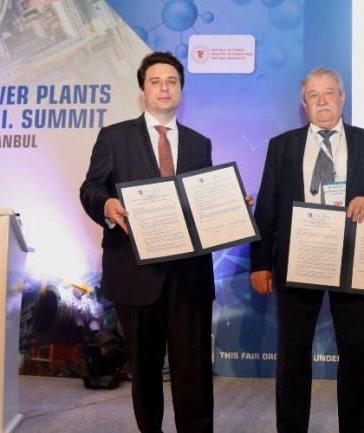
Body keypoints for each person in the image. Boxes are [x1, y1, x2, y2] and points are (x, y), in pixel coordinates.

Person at [80, 51, 239, 433]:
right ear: (143, 90)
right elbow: (91, 188)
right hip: (135, 275)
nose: (164, 87)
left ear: (181, 90)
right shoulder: (114, 137)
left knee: (194, 372)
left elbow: (200, 201)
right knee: (145, 373)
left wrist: (230, 206)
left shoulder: (200, 143)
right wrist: (107, 205)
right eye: (155, 81)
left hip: (189, 278)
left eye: (172, 81)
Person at [250, 67, 364, 433]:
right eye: (314, 95)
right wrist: (260, 263)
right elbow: (266, 208)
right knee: (292, 356)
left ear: (342, 98)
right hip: (297, 262)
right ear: (304, 104)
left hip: (353, 263)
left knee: (358, 354)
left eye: (330, 93)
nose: (322, 101)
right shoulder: (282, 145)